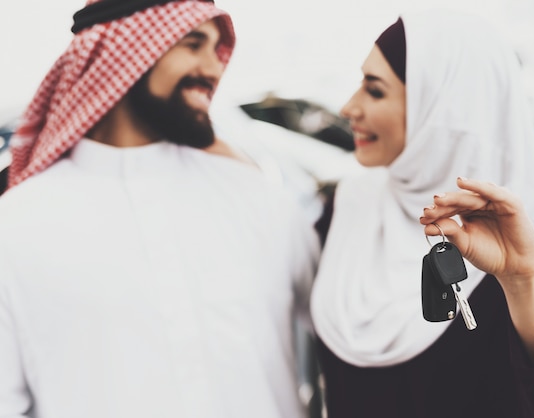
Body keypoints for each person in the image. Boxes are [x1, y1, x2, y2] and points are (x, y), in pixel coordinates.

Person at [0, 1, 319, 417]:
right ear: (122, 53)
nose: (213, 67)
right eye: (193, 44)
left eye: (216, 48)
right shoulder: (18, 225)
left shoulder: (255, 197)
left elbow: (344, 328)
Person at [310, 10, 534, 418]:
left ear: (444, 109)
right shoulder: (341, 217)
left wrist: (523, 283)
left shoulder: (525, 260)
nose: (348, 107)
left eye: (374, 90)